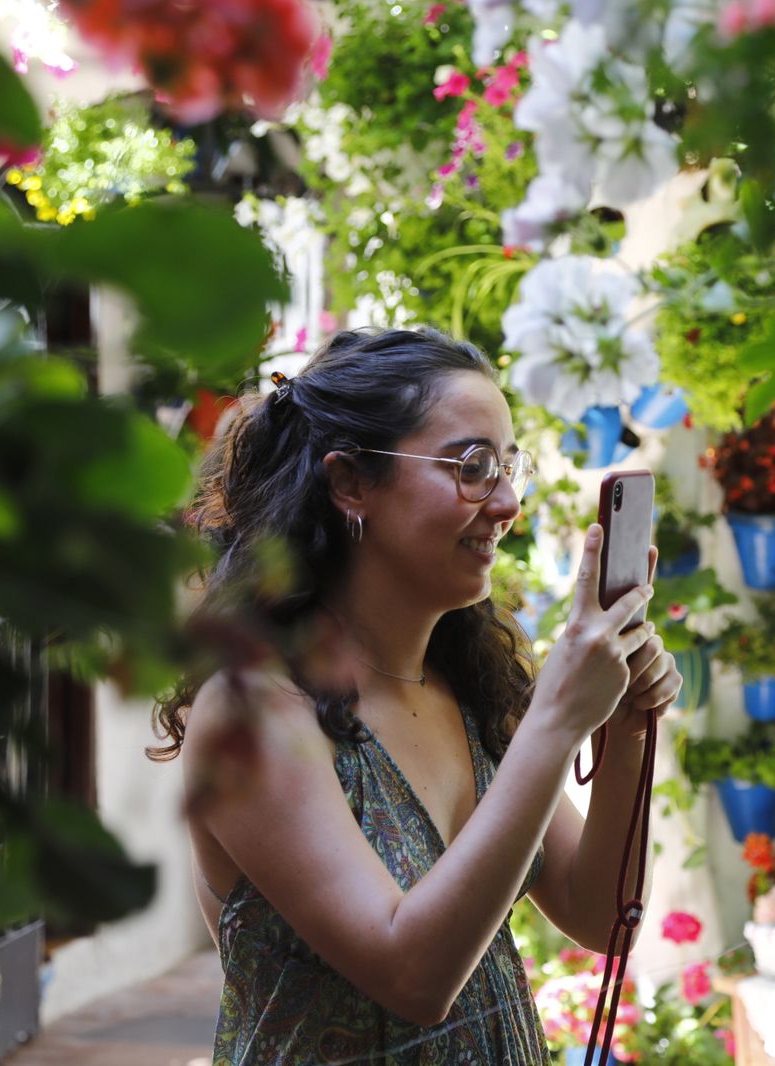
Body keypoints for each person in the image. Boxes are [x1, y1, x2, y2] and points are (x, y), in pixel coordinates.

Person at [151, 328, 680, 1065]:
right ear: (350, 483)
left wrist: (625, 731)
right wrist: (558, 721)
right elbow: (411, 976)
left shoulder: (470, 683)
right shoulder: (255, 709)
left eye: (509, 467)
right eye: (472, 467)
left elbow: (601, 917)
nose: (507, 503)